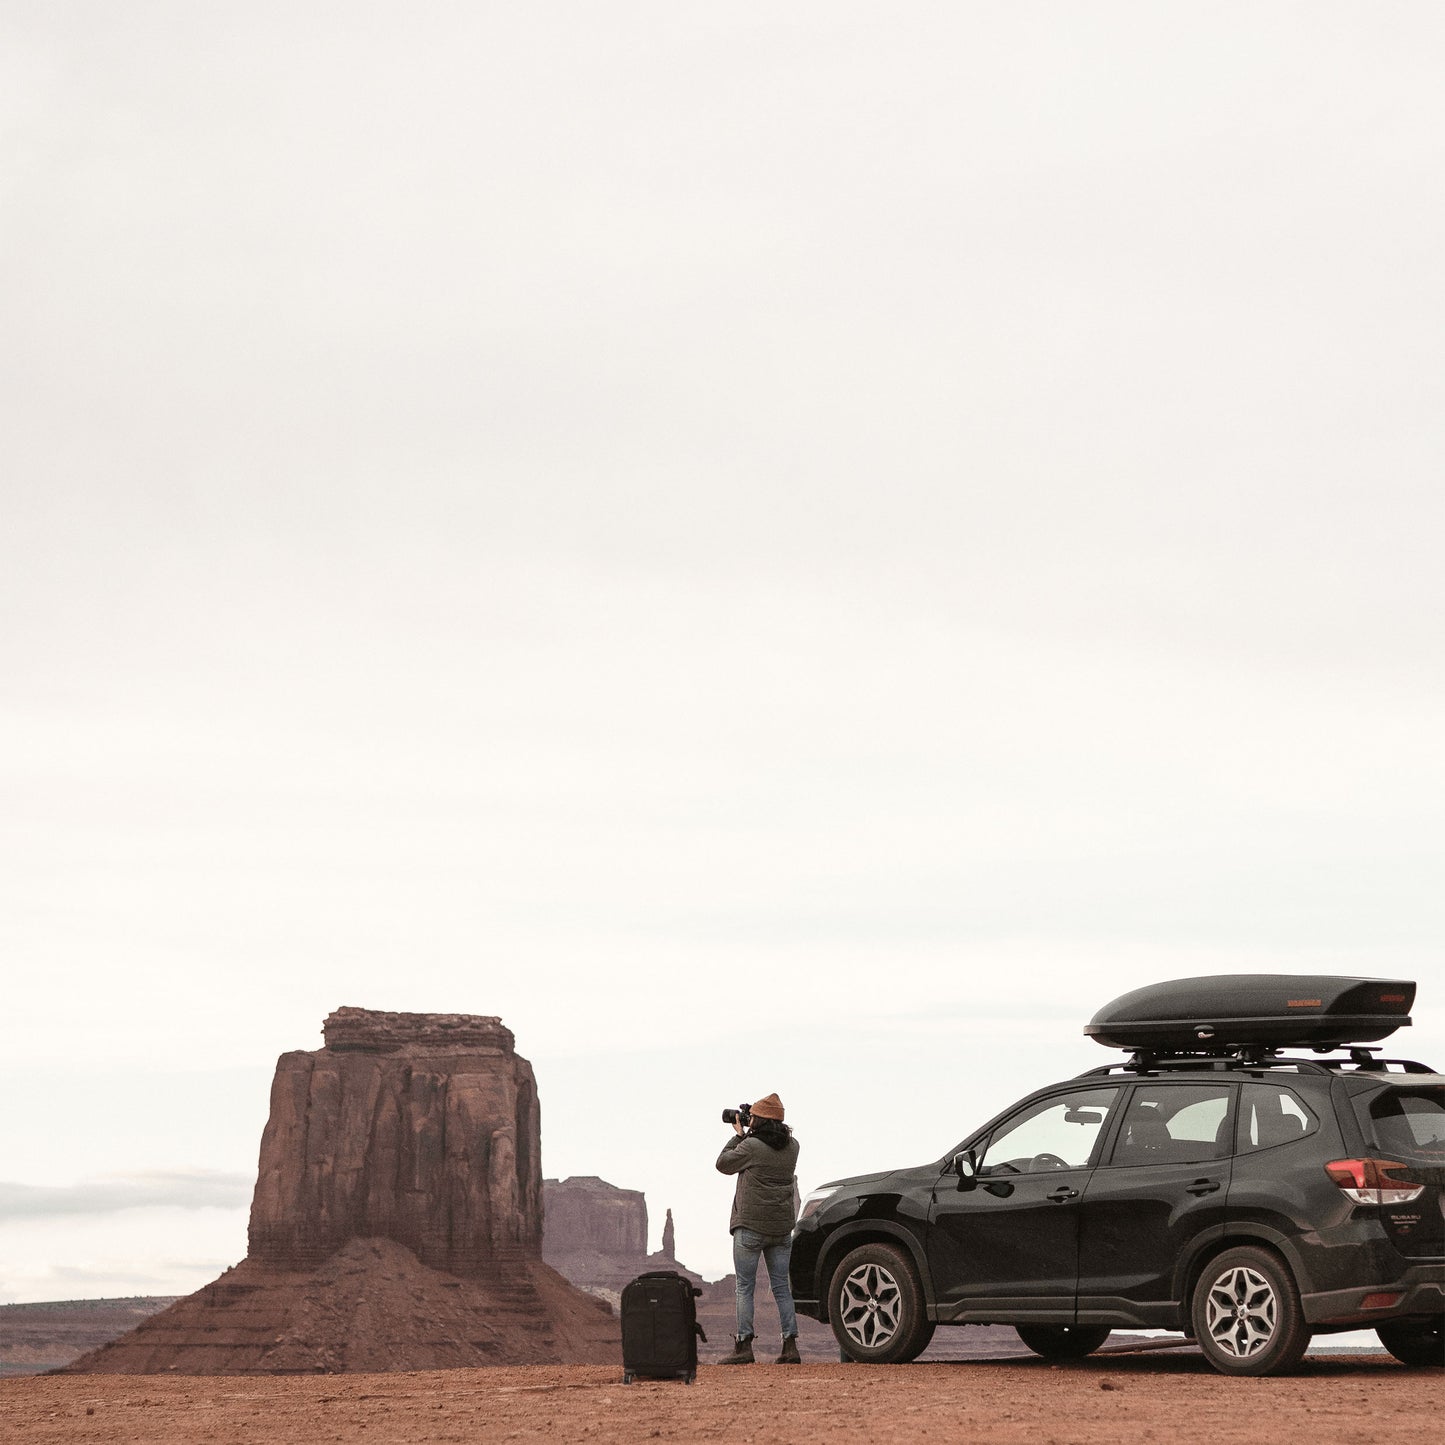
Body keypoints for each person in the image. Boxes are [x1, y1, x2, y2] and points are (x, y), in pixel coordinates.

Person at [715, 1092, 801, 1365]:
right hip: (781, 1229)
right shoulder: (794, 1146)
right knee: (781, 1288)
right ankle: (790, 1346)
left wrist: (739, 1134)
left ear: (759, 1121)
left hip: (750, 1227)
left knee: (744, 1287)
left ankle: (744, 1346)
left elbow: (723, 1164)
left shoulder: (750, 1146)